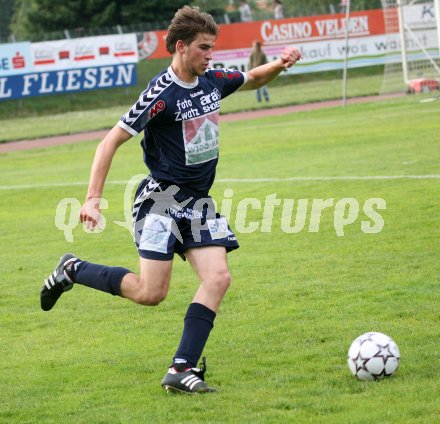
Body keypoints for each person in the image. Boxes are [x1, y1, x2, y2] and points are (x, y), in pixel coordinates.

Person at [40, 5, 302, 394]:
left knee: (218, 277)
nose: (210, 55)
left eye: (212, 48)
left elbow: (251, 78)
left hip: (197, 201)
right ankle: (73, 269)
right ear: (181, 47)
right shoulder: (160, 95)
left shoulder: (213, 80)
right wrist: (92, 199)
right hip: (160, 200)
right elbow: (109, 141)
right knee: (151, 293)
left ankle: (181, 368)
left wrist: (280, 64)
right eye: (203, 48)